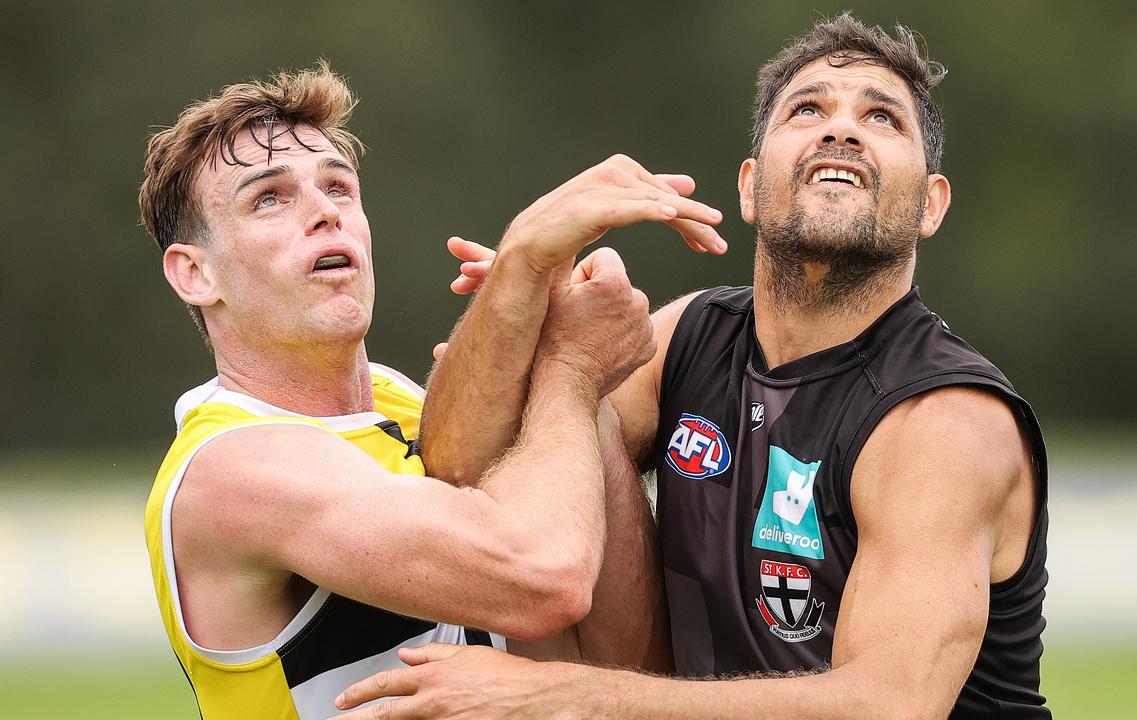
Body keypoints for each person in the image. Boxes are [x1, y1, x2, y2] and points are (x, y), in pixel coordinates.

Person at [334, 13, 1050, 719]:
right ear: (747, 187)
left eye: (883, 118)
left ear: (931, 205)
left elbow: (889, 707)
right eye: (807, 109)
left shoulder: (945, 420)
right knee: (568, 400)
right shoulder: (693, 334)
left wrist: (561, 699)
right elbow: (464, 462)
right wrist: (526, 277)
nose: (842, 129)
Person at [138, 63, 725, 719]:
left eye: (338, 186)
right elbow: (543, 579)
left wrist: (552, 350)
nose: (324, 212)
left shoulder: (397, 402)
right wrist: (570, 366)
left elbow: (623, 672)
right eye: (269, 198)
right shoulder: (233, 467)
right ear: (195, 273)